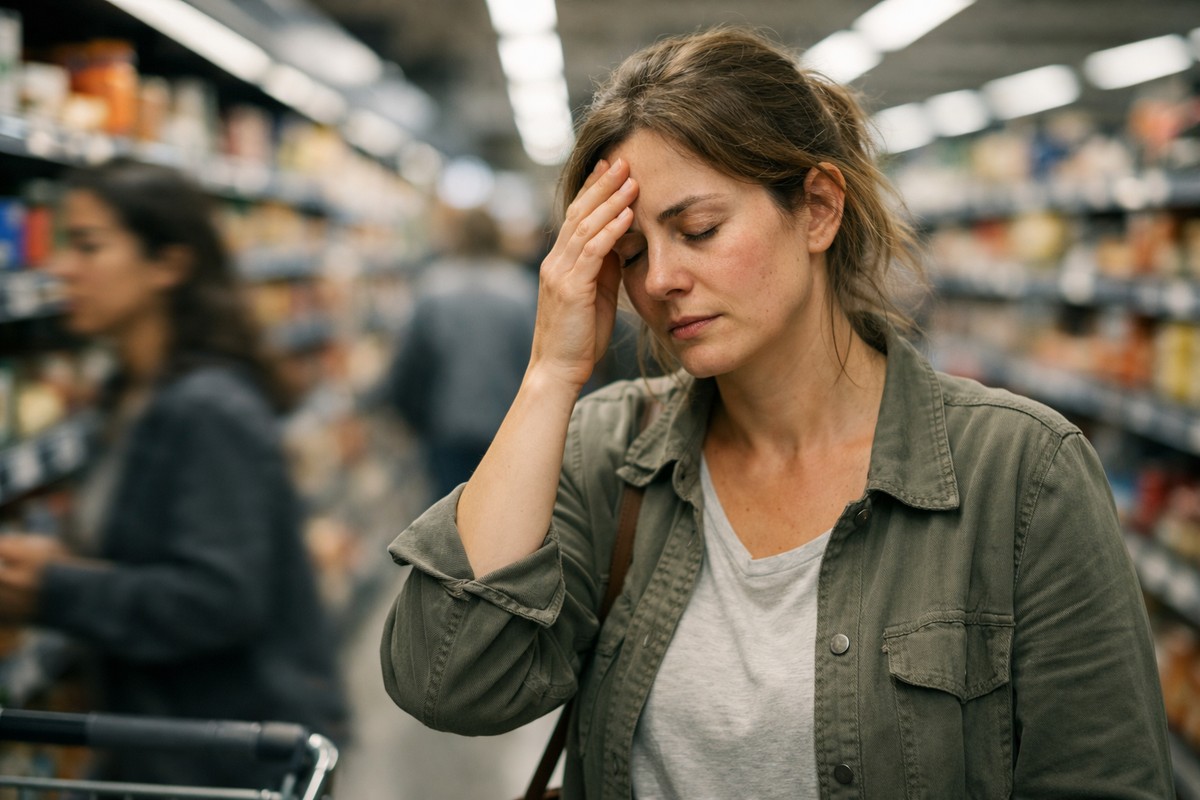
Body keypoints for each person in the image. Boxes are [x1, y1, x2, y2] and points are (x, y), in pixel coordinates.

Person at [380, 26, 1173, 799]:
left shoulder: (1021, 476)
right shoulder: (610, 452)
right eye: (628, 254)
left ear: (819, 209)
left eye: (699, 230)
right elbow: (447, 680)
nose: (659, 280)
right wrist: (550, 375)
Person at [0, 158, 347, 789]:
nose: (61, 267)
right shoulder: (130, 393)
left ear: (168, 264)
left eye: (88, 246)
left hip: (230, 754)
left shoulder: (209, 408)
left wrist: (56, 589)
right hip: (174, 742)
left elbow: (220, 599)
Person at [378, 206, 537, 499]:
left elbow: (410, 361)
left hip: (448, 425)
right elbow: (536, 360)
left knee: (447, 518)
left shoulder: (434, 287)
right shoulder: (522, 291)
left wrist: (408, 414)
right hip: (507, 426)